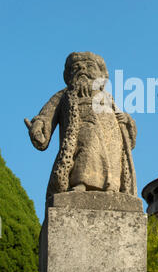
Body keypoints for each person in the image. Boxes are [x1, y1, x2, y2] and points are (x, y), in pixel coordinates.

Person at [25, 51, 137, 199]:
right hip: (81, 129)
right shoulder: (64, 95)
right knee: (87, 145)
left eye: (89, 66)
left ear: (102, 74)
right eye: (76, 68)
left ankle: (112, 188)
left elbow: (124, 121)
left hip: (111, 135)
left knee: (113, 157)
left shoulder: (108, 97)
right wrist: (38, 125)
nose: (82, 70)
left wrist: (127, 120)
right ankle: (81, 183)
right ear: (68, 75)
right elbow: (46, 115)